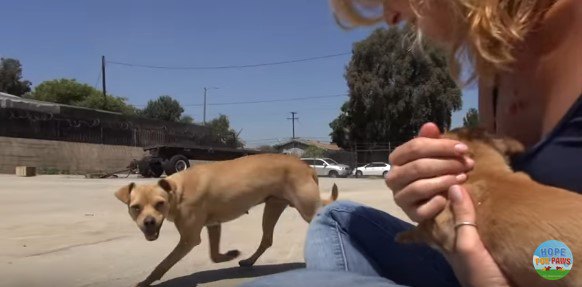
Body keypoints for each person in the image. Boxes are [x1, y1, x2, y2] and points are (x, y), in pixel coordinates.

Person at [241, 0, 582, 286]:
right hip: (494, 266)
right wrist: (432, 198)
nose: (390, 18)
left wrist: (484, 275)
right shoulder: (493, 73)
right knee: (337, 217)